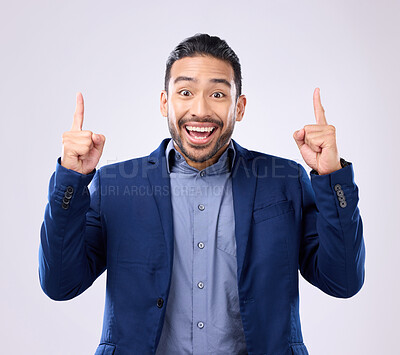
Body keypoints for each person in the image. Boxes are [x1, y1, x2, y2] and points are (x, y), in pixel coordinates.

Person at [39, 33, 365, 355]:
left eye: (218, 95)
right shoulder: (115, 186)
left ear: (239, 107)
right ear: (165, 102)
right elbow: (60, 284)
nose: (200, 109)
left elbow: (342, 281)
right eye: (185, 92)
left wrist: (331, 176)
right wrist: (71, 180)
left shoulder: (285, 180)